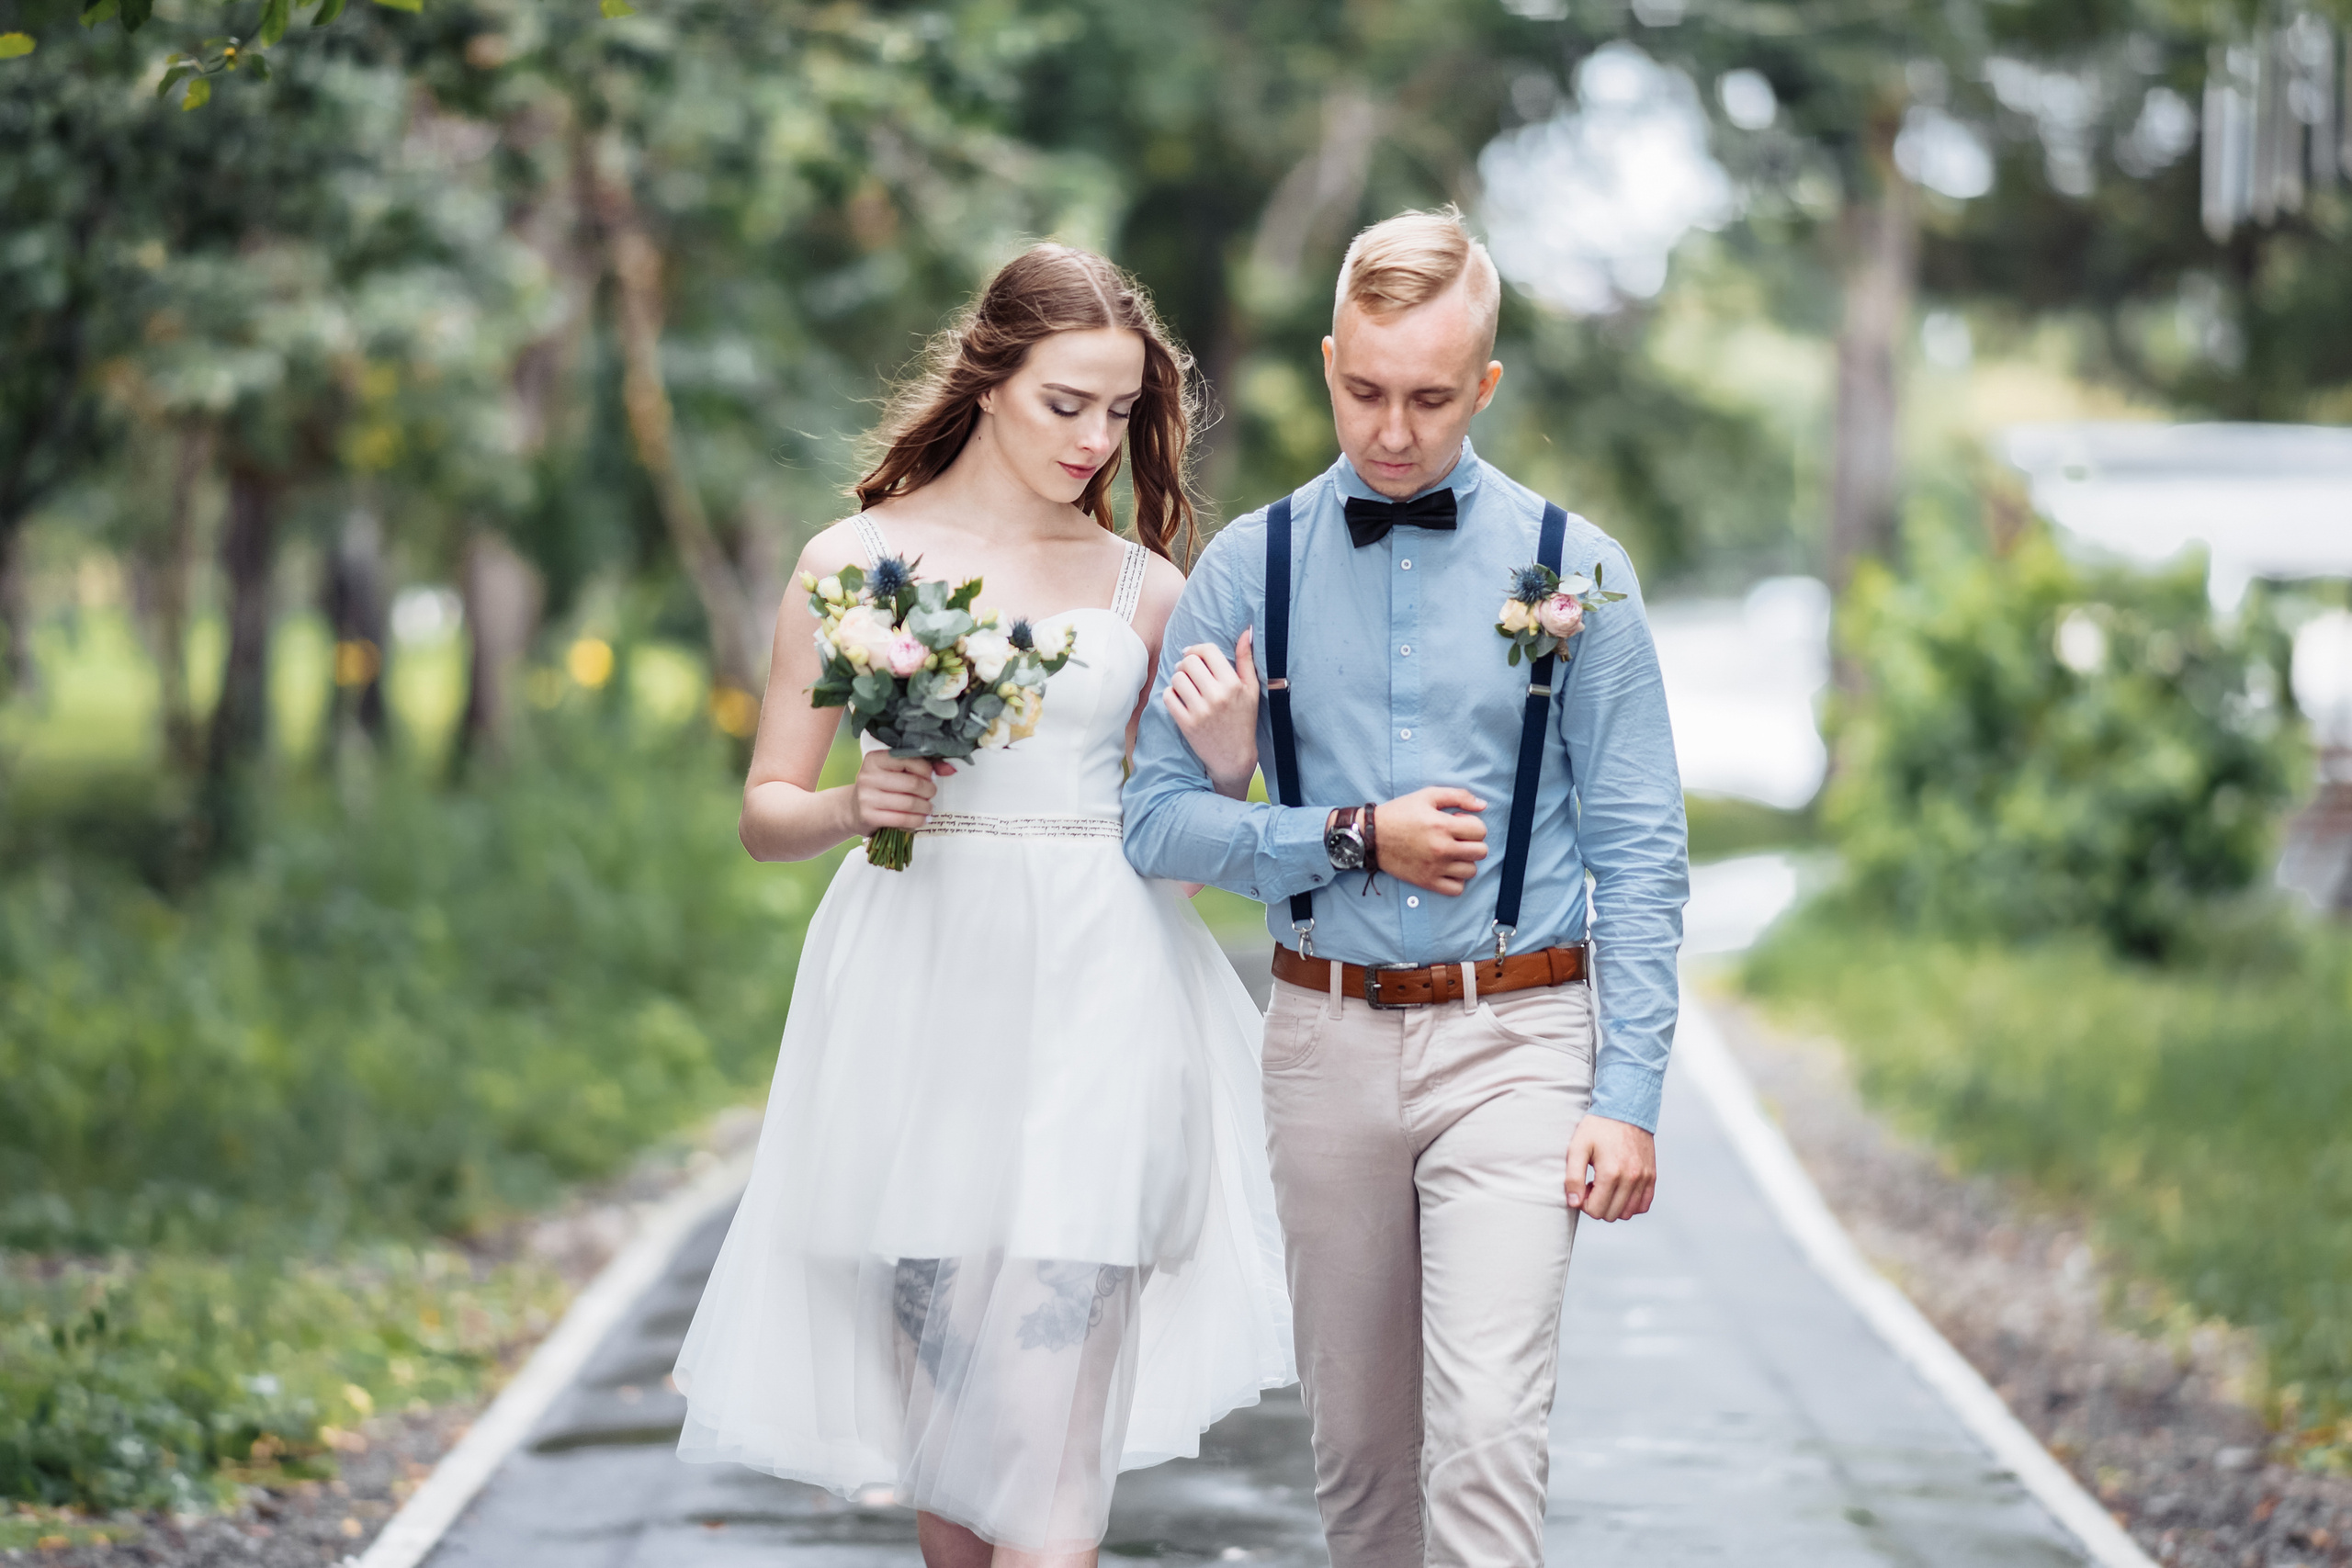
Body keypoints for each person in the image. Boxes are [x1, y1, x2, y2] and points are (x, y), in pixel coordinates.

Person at [673, 244, 1294, 1568]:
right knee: (955, 1495)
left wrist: (1231, 760)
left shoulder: (1145, 588)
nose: (1096, 439)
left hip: (1104, 992)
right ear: (991, 377)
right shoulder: (856, 562)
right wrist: (858, 803)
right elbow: (764, 808)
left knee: (1052, 1474)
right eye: (1067, 403)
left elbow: (1184, 841)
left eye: (1121, 412)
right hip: (916, 996)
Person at [1124, 208, 1689, 1567]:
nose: (1392, 430)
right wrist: (1339, 835)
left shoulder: (1580, 573)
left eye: (1430, 399)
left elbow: (1642, 851)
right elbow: (1151, 823)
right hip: (1321, 1040)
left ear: (1483, 387)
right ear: (1329, 366)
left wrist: (1629, 1096)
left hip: (1520, 1036)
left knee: (1490, 1431)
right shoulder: (1240, 571)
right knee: (1363, 1461)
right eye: (1367, 391)